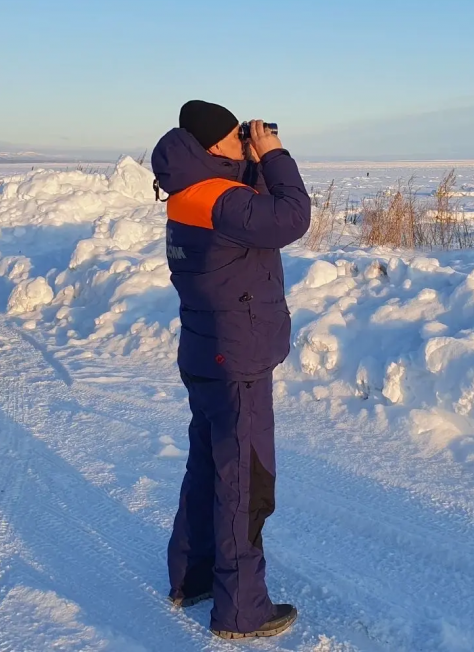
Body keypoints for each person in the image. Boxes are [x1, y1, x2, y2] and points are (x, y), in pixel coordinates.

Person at [152, 100, 310, 639]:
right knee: (244, 479)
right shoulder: (220, 200)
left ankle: (192, 578)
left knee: (207, 468)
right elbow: (292, 218)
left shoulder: (192, 191)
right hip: (236, 356)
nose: (245, 141)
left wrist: (254, 162)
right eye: (236, 136)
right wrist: (277, 155)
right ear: (215, 145)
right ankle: (242, 610)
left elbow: (251, 212)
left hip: (207, 351)